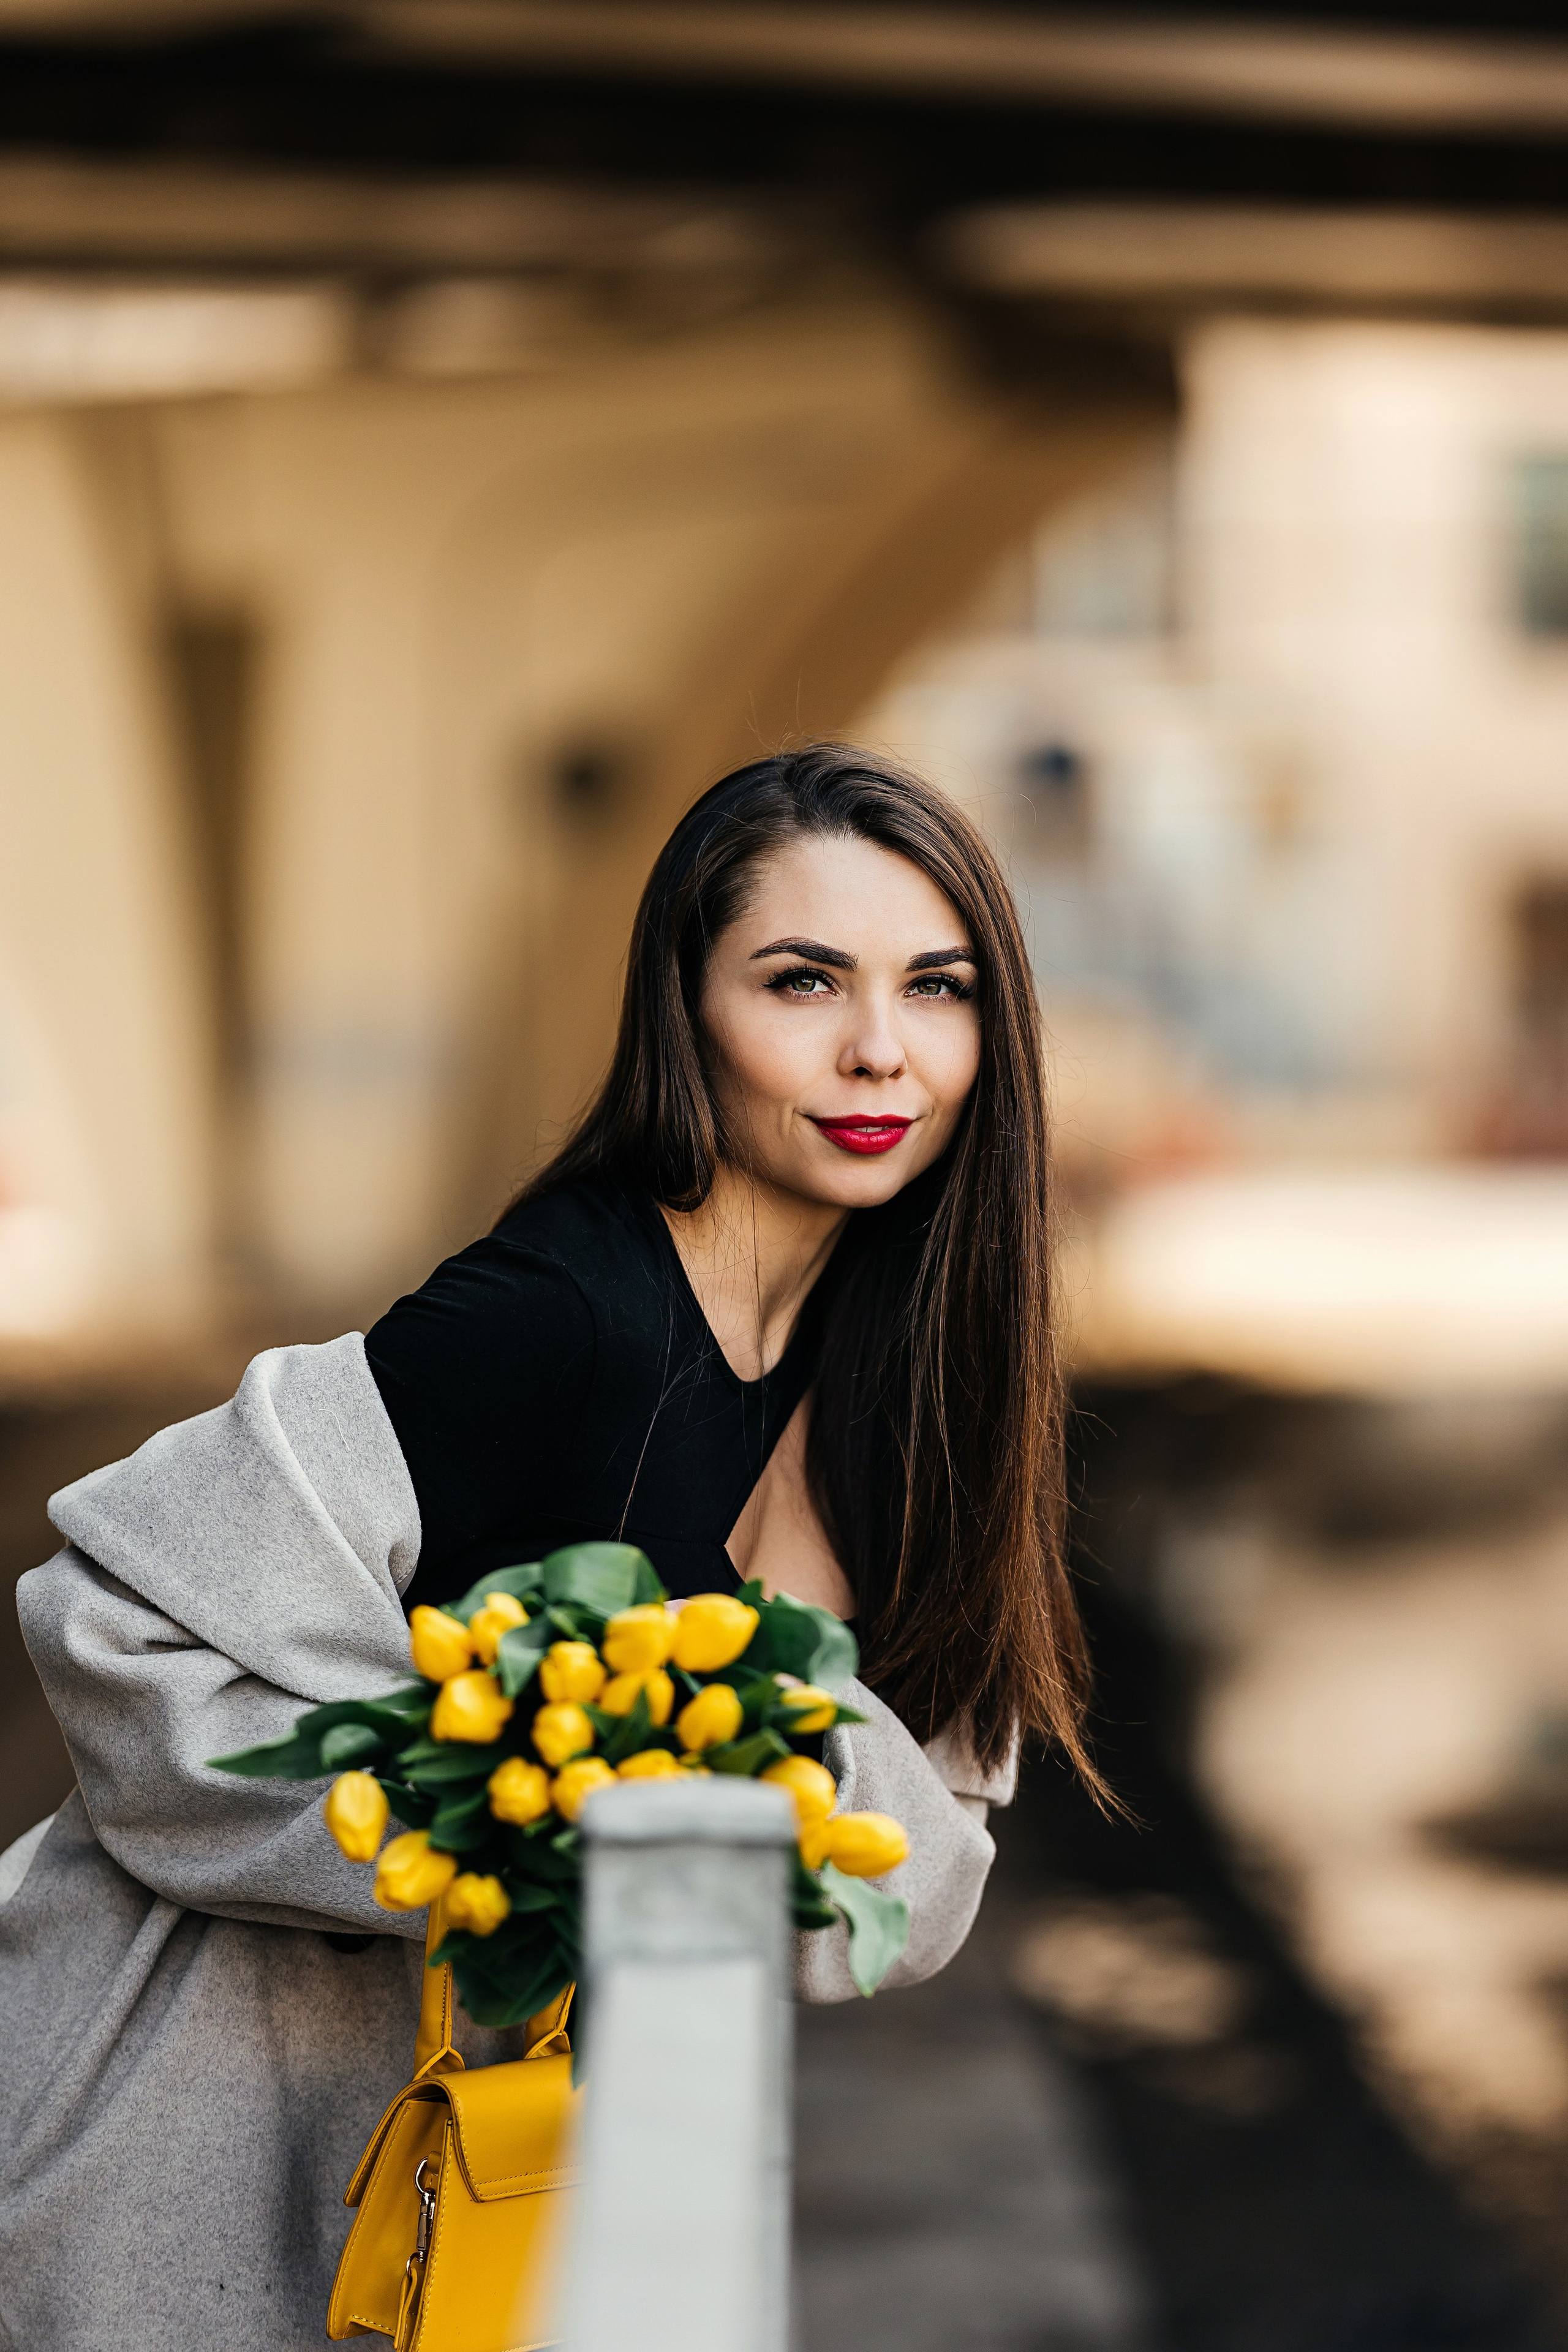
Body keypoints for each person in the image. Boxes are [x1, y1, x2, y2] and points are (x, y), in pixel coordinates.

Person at [0, 742, 1100, 2351]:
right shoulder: (557, 1317)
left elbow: (895, 1887)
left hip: (521, 2164)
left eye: (938, 989)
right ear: (688, 1010)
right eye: (803, 983)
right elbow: (116, 1620)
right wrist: (517, 1838)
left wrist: (738, 1740)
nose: (881, 1053)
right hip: (185, 2121)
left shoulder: (918, 1371)